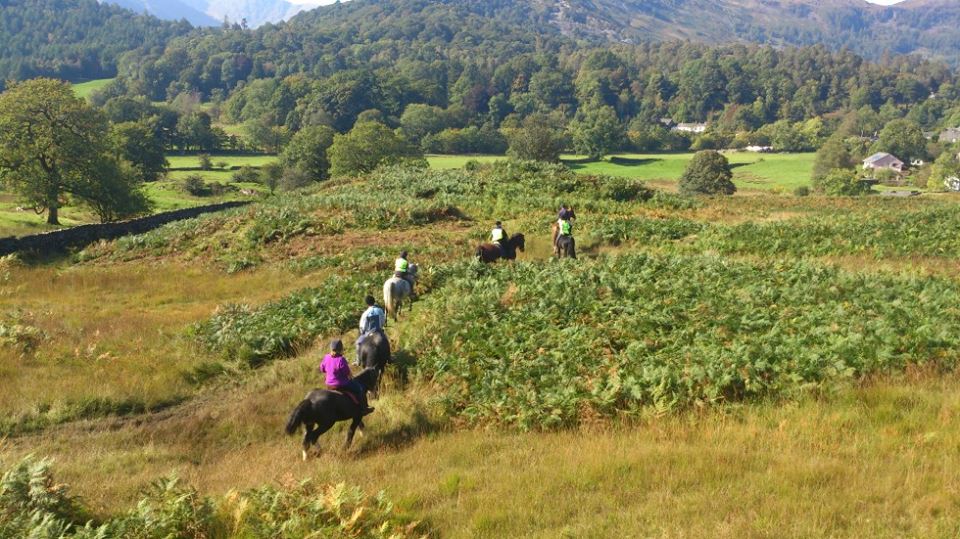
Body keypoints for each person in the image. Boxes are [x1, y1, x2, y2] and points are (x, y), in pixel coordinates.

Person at [318, 339, 373, 415]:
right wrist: (351, 377)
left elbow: (322, 369)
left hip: (329, 385)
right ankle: (364, 408)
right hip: (341, 385)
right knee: (360, 388)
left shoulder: (326, 357)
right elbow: (347, 373)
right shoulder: (341, 359)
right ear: (341, 349)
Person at [355, 295, 386, 362]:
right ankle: (389, 358)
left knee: (358, 343)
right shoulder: (380, 310)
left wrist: (363, 332)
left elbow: (362, 327)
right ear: (374, 301)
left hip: (369, 333)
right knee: (386, 342)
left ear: (367, 303)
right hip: (379, 332)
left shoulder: (365, 313)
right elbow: (383, 322)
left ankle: (358, 360)